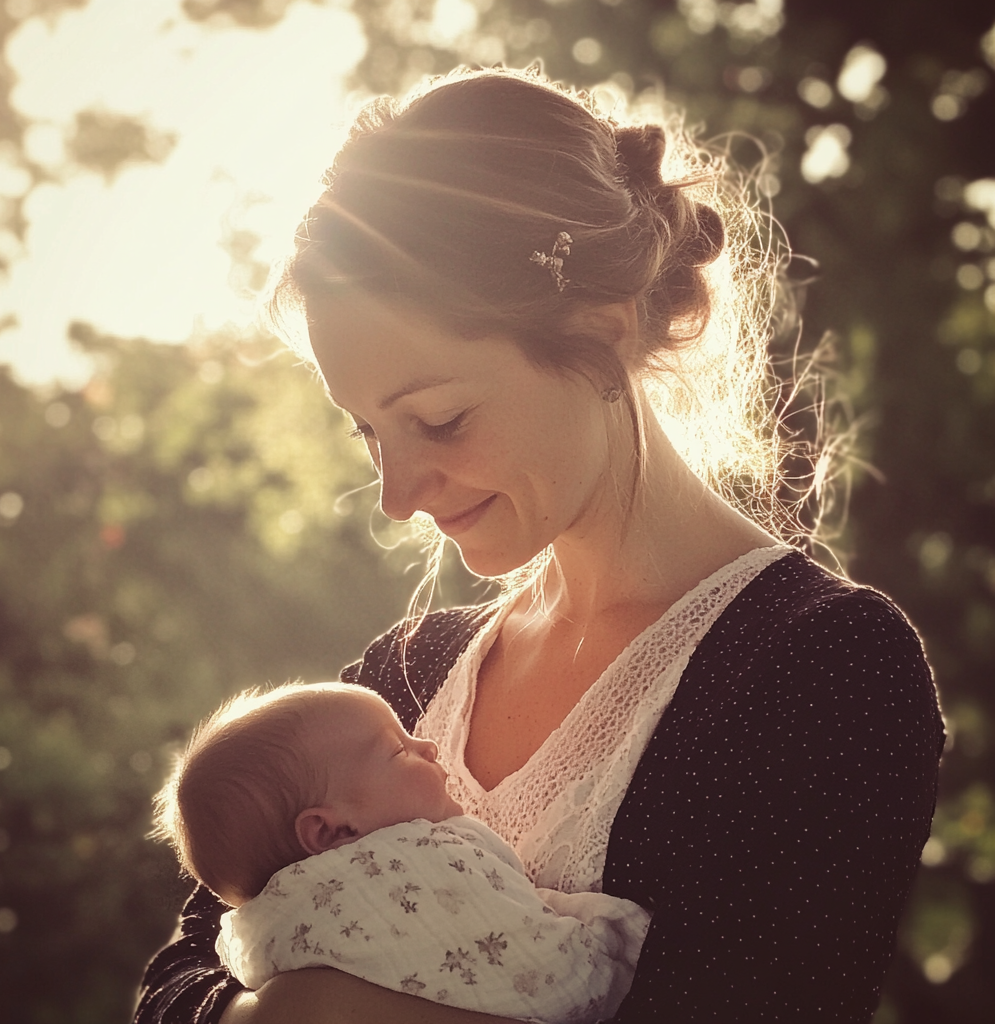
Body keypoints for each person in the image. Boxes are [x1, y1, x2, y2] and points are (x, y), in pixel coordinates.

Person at [134, 67, 944, 1024]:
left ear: (599, 338)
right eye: (368, 434)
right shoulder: (401, 680)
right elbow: (181, 972)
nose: (395, 496)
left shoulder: (824, 666)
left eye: (439, 419)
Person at [152, 680, 648, 1022]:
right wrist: (603, 941)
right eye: (398, 749)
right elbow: (555, 975)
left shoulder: (260, 932)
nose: (428, 746)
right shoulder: (420, 861)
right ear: (330, 832)